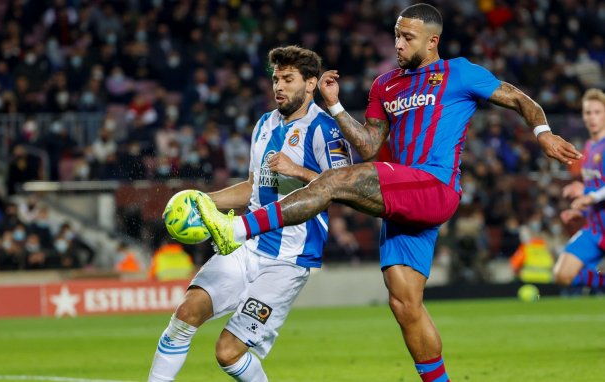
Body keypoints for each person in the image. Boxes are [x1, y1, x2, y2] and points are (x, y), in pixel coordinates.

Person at [196, 4, 581, 382]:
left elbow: (519, 98)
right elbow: (367, 145)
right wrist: (335, 106)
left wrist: (542, 134)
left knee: (332, 181)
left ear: (432, 41)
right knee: (404, 303)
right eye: (396, 34)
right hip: (400, 196)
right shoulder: (385, 84)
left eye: (407, 37)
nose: (398, 43)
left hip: (433, 185)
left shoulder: (459, 72)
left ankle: (238, 230)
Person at [148, 46, 352, 382]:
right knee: (185, 314)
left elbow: (344, 190)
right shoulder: (264, 125)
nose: (279, 87)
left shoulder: (325, 131)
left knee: (228, 353)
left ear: (311, 84)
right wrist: (204, 202)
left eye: (288, 79)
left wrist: (298, 171)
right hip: (245, 243)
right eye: (275, 79)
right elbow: (254, 187)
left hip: (288, 261)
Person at [554, 88, 605, 293]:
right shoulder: (588, 147)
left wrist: (590, 197)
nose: (592, 117)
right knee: (562, 274)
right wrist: (580, 211)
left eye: (597, 112)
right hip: (594, 228)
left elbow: (594, 194)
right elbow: (596, 187)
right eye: (587, 113)